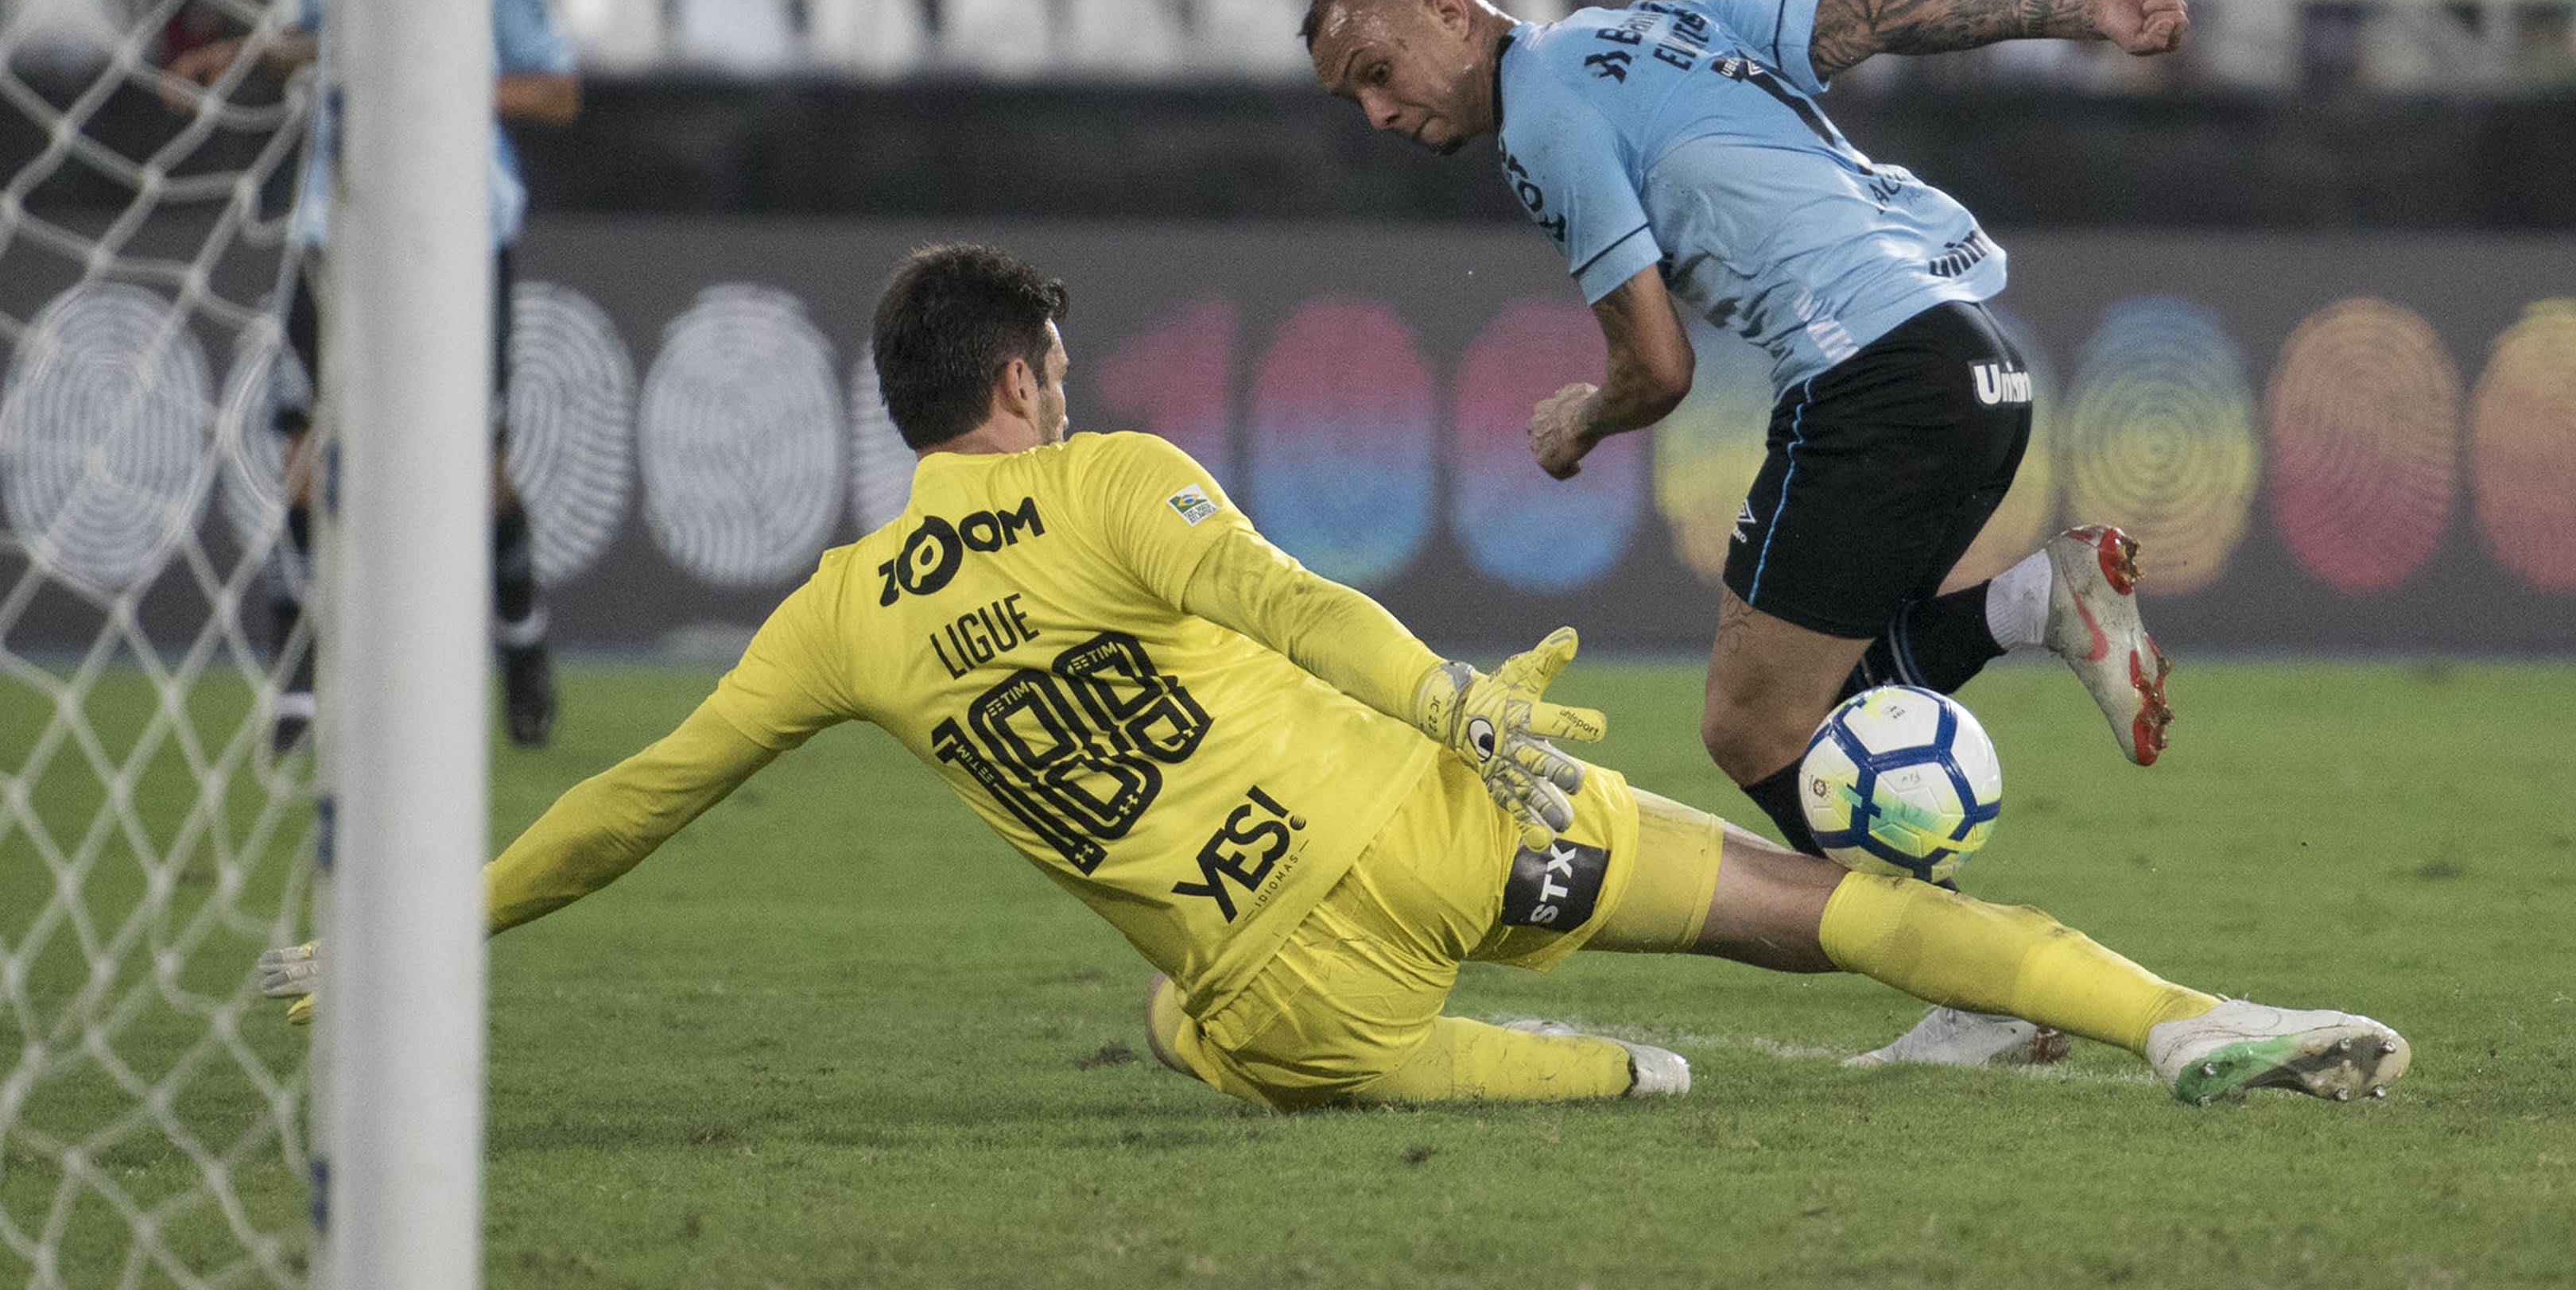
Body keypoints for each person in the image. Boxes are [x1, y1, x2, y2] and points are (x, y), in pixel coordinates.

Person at [260, 243, 2411, 1114]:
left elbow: (630, 806)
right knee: (1841, 912)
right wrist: (1465, 695)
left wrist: (403, 943)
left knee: (1219, 1033)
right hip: (1457, 816)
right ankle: (2186, 1020)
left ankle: (1617, 1088)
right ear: (1027, 380)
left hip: (1308, 981)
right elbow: (1302, 612)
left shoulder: (841, 614)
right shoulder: (1111, 477)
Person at [1301, 0, 2186, 1070]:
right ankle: (2032, 603)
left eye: (1376, 72)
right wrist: (2088, 15)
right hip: (1980, 366)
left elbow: (1658, 367)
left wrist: (1581, 419)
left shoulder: (1541, 117)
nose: (1374, 114)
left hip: (1873, 381)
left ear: (1449, 13)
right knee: (1829, 708)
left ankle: (1986, 996)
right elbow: (1881, 16)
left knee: (1751, 726)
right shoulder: (1655, 24)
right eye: (1349, 98)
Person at [166, 0, 581, 749]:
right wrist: (244, 54)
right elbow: (331, 40)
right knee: (305, 454)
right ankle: (298, 689)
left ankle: (522, 633)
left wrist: (431, 90)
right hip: (338, 223)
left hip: (461, 230)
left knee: (478, 469)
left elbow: (557, 91)